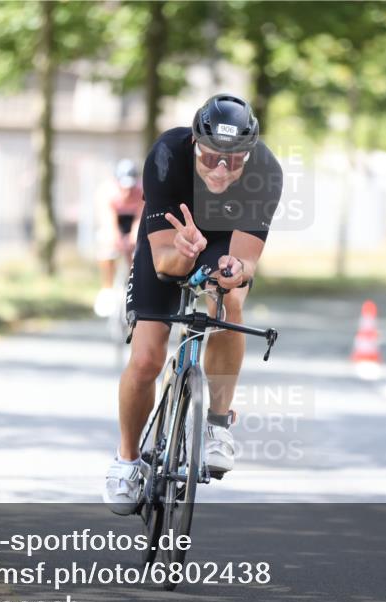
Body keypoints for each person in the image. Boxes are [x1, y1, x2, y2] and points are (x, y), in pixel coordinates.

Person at [103, 93, 283, 515]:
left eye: (234, 160)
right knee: (147, 360)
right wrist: (183, 253)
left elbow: (246, 261)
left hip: (222, 245)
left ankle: (217, 424)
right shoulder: (167, 154)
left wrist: (234, 270)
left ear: (248, 156)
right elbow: (165, 262)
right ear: (194, 146)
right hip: (170, 243)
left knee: (229, 303)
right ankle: (127, 459)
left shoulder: (266, 171)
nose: (221, 168)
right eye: (211, 157)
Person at [93, 160, 144, 317]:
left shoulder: (142, 191)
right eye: (123, 186)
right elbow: (108, 221)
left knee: (137, 251)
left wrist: (133, 238)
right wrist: (115, 238)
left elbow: (139, 219)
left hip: (133, 219)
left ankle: (132, 287)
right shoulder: (107, 192)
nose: (127, 191)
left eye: (130, 187)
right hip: (115, 220)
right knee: (106, 245)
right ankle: (107, 289)